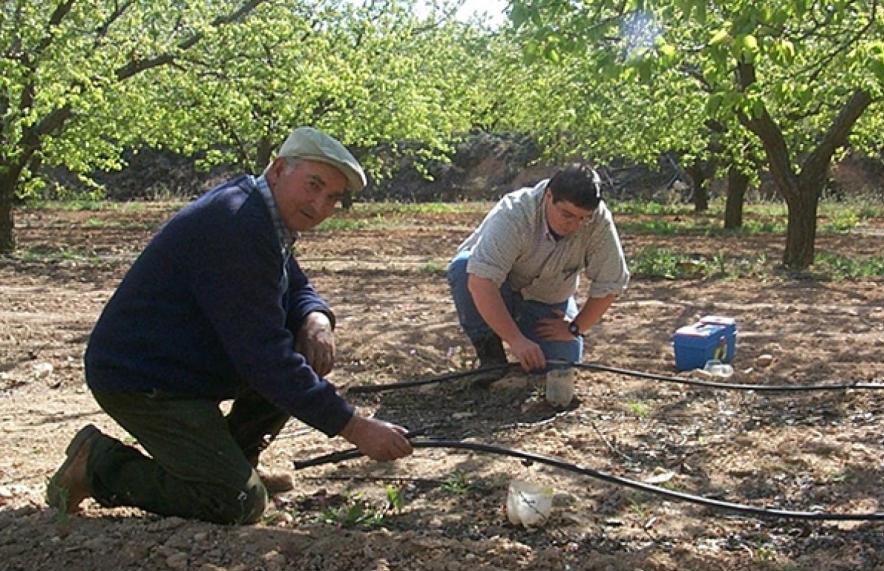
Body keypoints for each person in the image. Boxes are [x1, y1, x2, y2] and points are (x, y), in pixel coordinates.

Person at [46, 127, 413, 525]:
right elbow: (264, 358)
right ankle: (97, 466)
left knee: (297, 347)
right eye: (314, 185)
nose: (319, 204)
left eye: (333, 198)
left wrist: (315, 318)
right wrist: (354, 427)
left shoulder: (260, 212)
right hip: (144, 380)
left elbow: (296, 284)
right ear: (278, 170)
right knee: (236, 503)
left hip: (186, 370)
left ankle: (236, 463)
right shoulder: (237, 224)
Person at [447, 163, 629, 386]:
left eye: (584, 218)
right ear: (548, 196)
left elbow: (611, 283)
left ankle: (531, 341)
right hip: (498, 289)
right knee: (464, 267)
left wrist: (575, 327)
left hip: (546, 299)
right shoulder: (515, 212)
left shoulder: (598, 221)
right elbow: (480, 282)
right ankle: (491, 356)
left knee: (561, 365)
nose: (575, 225)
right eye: (567, 215)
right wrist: (516, 341)